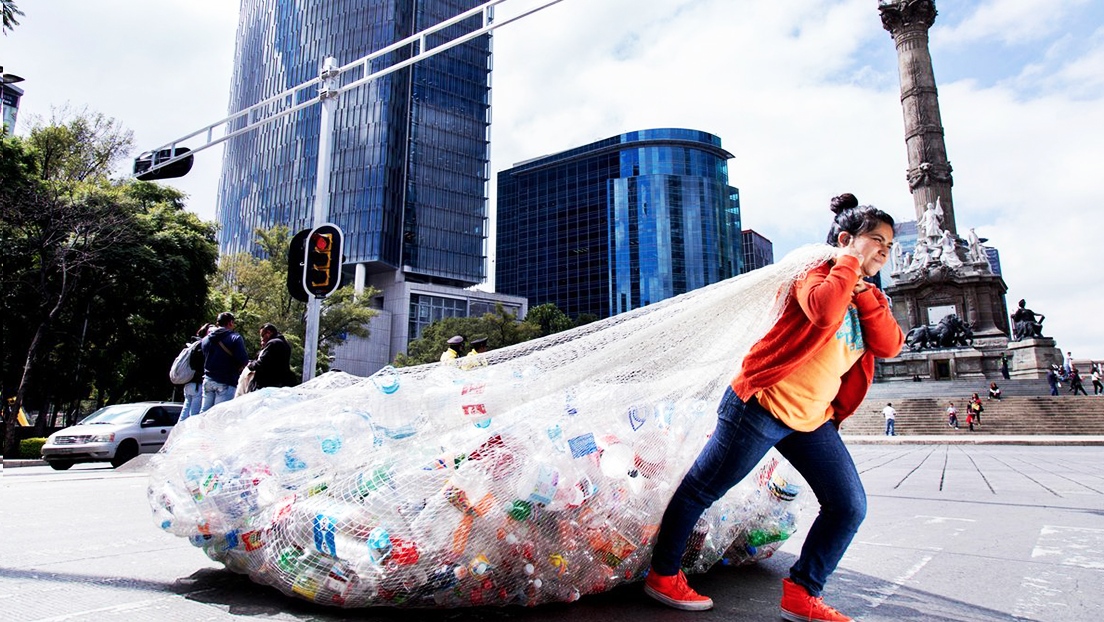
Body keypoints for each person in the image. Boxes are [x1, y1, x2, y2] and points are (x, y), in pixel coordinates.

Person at [644, 193, 903, 622]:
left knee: (848, 505)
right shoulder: (811, 273)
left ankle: (802, 593)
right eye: (876, 239)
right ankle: (663, 575)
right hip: (761, 404)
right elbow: (821, 313)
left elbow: (890, 344)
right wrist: (848, 264)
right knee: (703, 488)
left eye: (889, 245)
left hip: (812, 419)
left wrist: (866, 292)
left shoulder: (865, 294)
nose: (884, 250)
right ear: (845, 239)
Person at [200, 312, 250, 413]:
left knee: (204, 414)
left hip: (208, 380)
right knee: (219, 415)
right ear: (231, 322)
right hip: (226, 381)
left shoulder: (205, 340)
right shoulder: (235, 338)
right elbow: (244, 360)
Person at [179, 323, 212, 422]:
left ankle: (178, 433)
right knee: (194, 416)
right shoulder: (202, 346)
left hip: (188, 382)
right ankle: (189, 435)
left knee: (185, 411)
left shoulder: (192, 344)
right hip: (197, 384)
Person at [249, 323, 296, 390]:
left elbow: (261, 364)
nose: (262, 339)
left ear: (268, 333)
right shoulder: (284, 343)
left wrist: (250, 364)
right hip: (281, 383)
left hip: (268, 385)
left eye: (262, 336)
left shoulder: (273, 343)